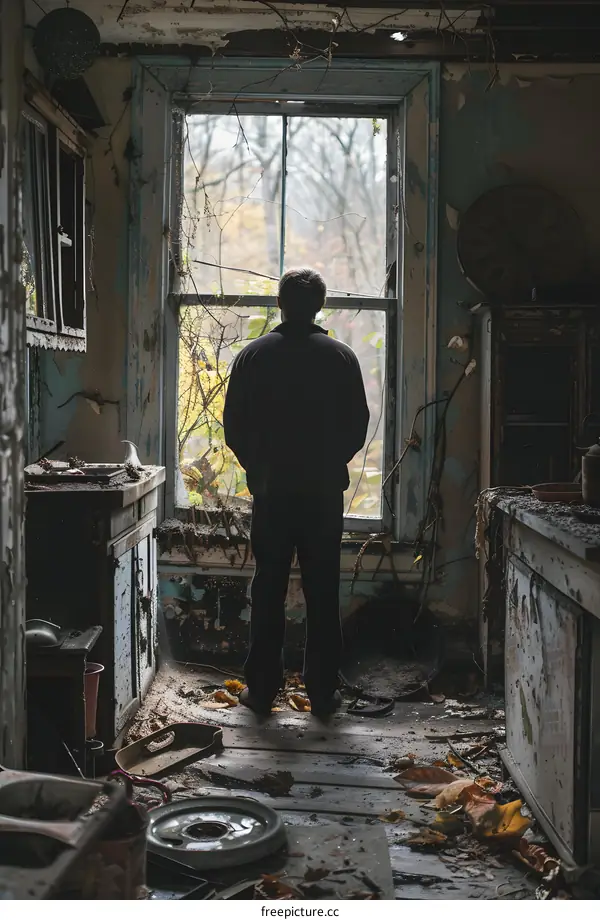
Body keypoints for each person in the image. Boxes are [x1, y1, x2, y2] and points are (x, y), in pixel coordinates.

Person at [223, 268, 369, 717]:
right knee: (322, 589)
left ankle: (262, 690)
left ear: (280, 304)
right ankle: (323, 693)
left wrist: (260, 467)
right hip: (322, 493)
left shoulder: (253, 356)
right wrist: (328, 463)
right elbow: (357, 426)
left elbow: (234, 428)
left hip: (272, 493)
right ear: (320, 306)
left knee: (268, 587)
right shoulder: (341, 357)